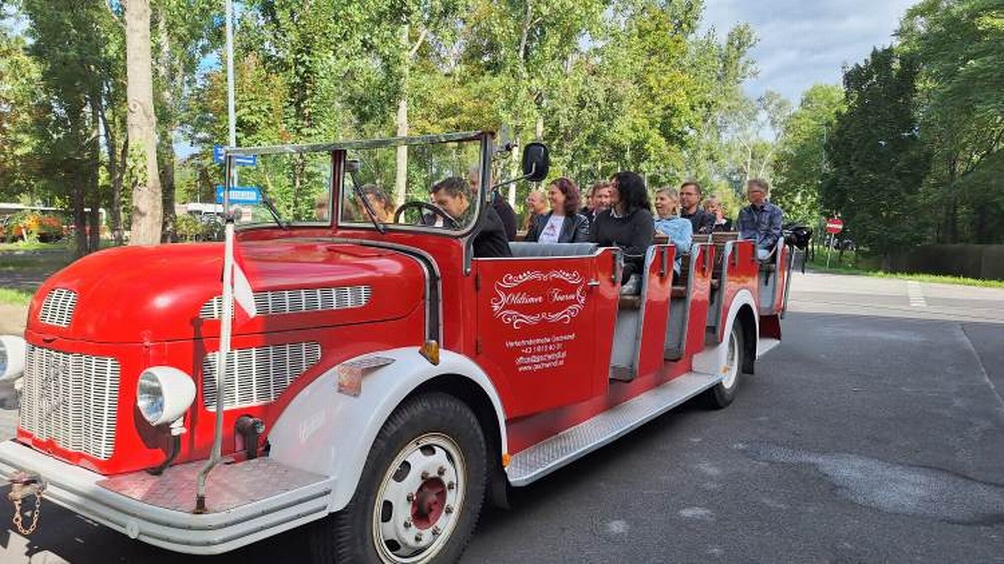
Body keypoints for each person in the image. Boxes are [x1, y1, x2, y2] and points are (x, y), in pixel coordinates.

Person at [589, 171, 654, 294]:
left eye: (614, 186)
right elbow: (591, 244)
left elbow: (639, 252)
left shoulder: (643, 217)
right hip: (599, 270)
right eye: (610, 185)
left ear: (628, 190)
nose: (609, 190)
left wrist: (608, 257)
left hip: (630, 274)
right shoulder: (602, 217)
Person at [430, 176, 512, 258]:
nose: (438, 208)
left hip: (499, 268)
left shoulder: (482, 213)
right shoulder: (456, 218)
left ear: (460, 197)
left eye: (443, 203)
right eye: (437, 204)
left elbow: (460, 237)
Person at [526, 177, 590, 244]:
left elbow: (578, 249)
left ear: (566, 195)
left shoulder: (579, 222)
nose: (549, 197)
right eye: (549, 193)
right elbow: (528, 245)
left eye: (553, 193)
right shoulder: (539, 219)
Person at [736, 179, 783, 261]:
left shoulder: (775, 211)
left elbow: (774, 236)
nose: (749, 194)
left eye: (753, 191)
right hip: (743, 247)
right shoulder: (744, 211)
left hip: (763, 249)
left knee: (752, 255)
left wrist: (756, 247)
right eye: (748, 192)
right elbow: (738, 232)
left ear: (763, 193)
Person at [653, 187, 693, 277]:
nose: (657, 202)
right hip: (647, 260)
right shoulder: (650, 222)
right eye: (656, 199)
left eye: (662, 199)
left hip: (670, 264)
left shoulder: (684, 223)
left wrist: (667, 240)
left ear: (674, 203)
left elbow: (685, 247)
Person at [469, 167, 516, 241]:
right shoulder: (472, 208)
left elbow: (507, 242)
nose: (475, 188)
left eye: (480, 183)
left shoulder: (504, 209)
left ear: (492, 184)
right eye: (472, 183)